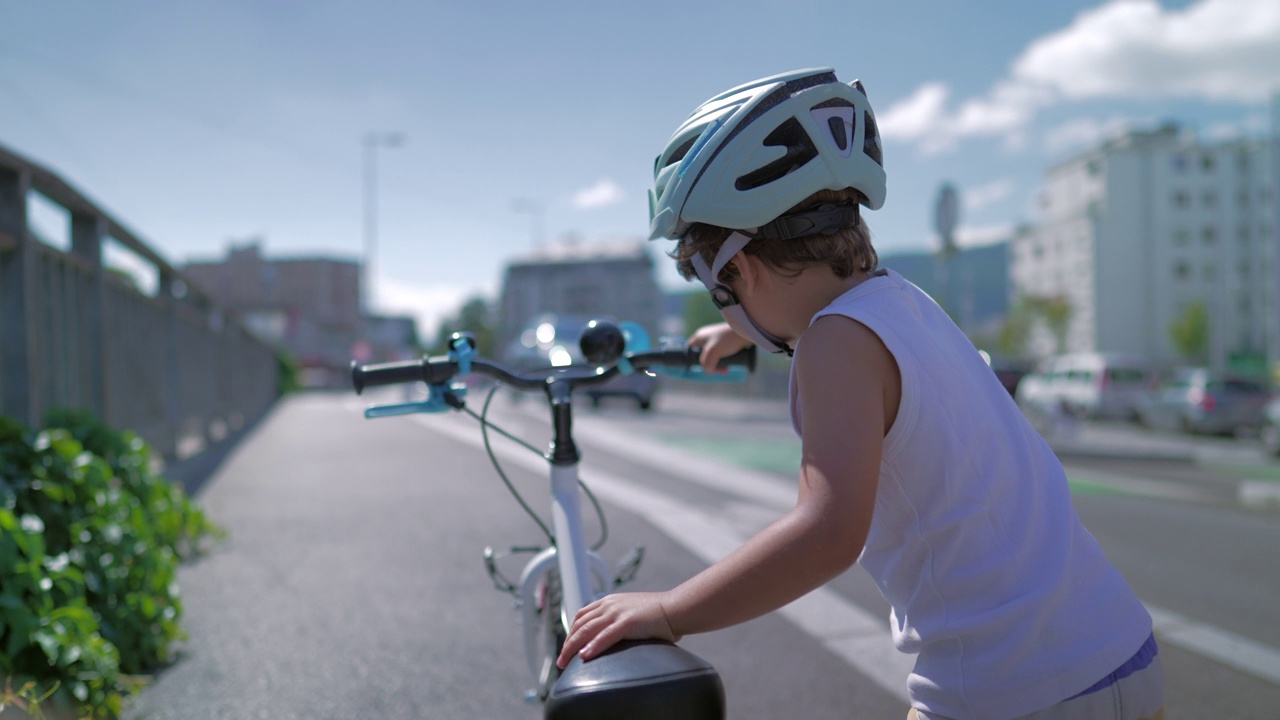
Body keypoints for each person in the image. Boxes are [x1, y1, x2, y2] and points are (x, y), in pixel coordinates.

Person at [554, 68, 1164, 720]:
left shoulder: (832, 348)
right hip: (1118, 654)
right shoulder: (905, 305)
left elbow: (827, 534)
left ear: (742, 269)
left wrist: (671, 612)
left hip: (1008, 693)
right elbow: (866, 352)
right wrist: (741, 330)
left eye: (718, 289)